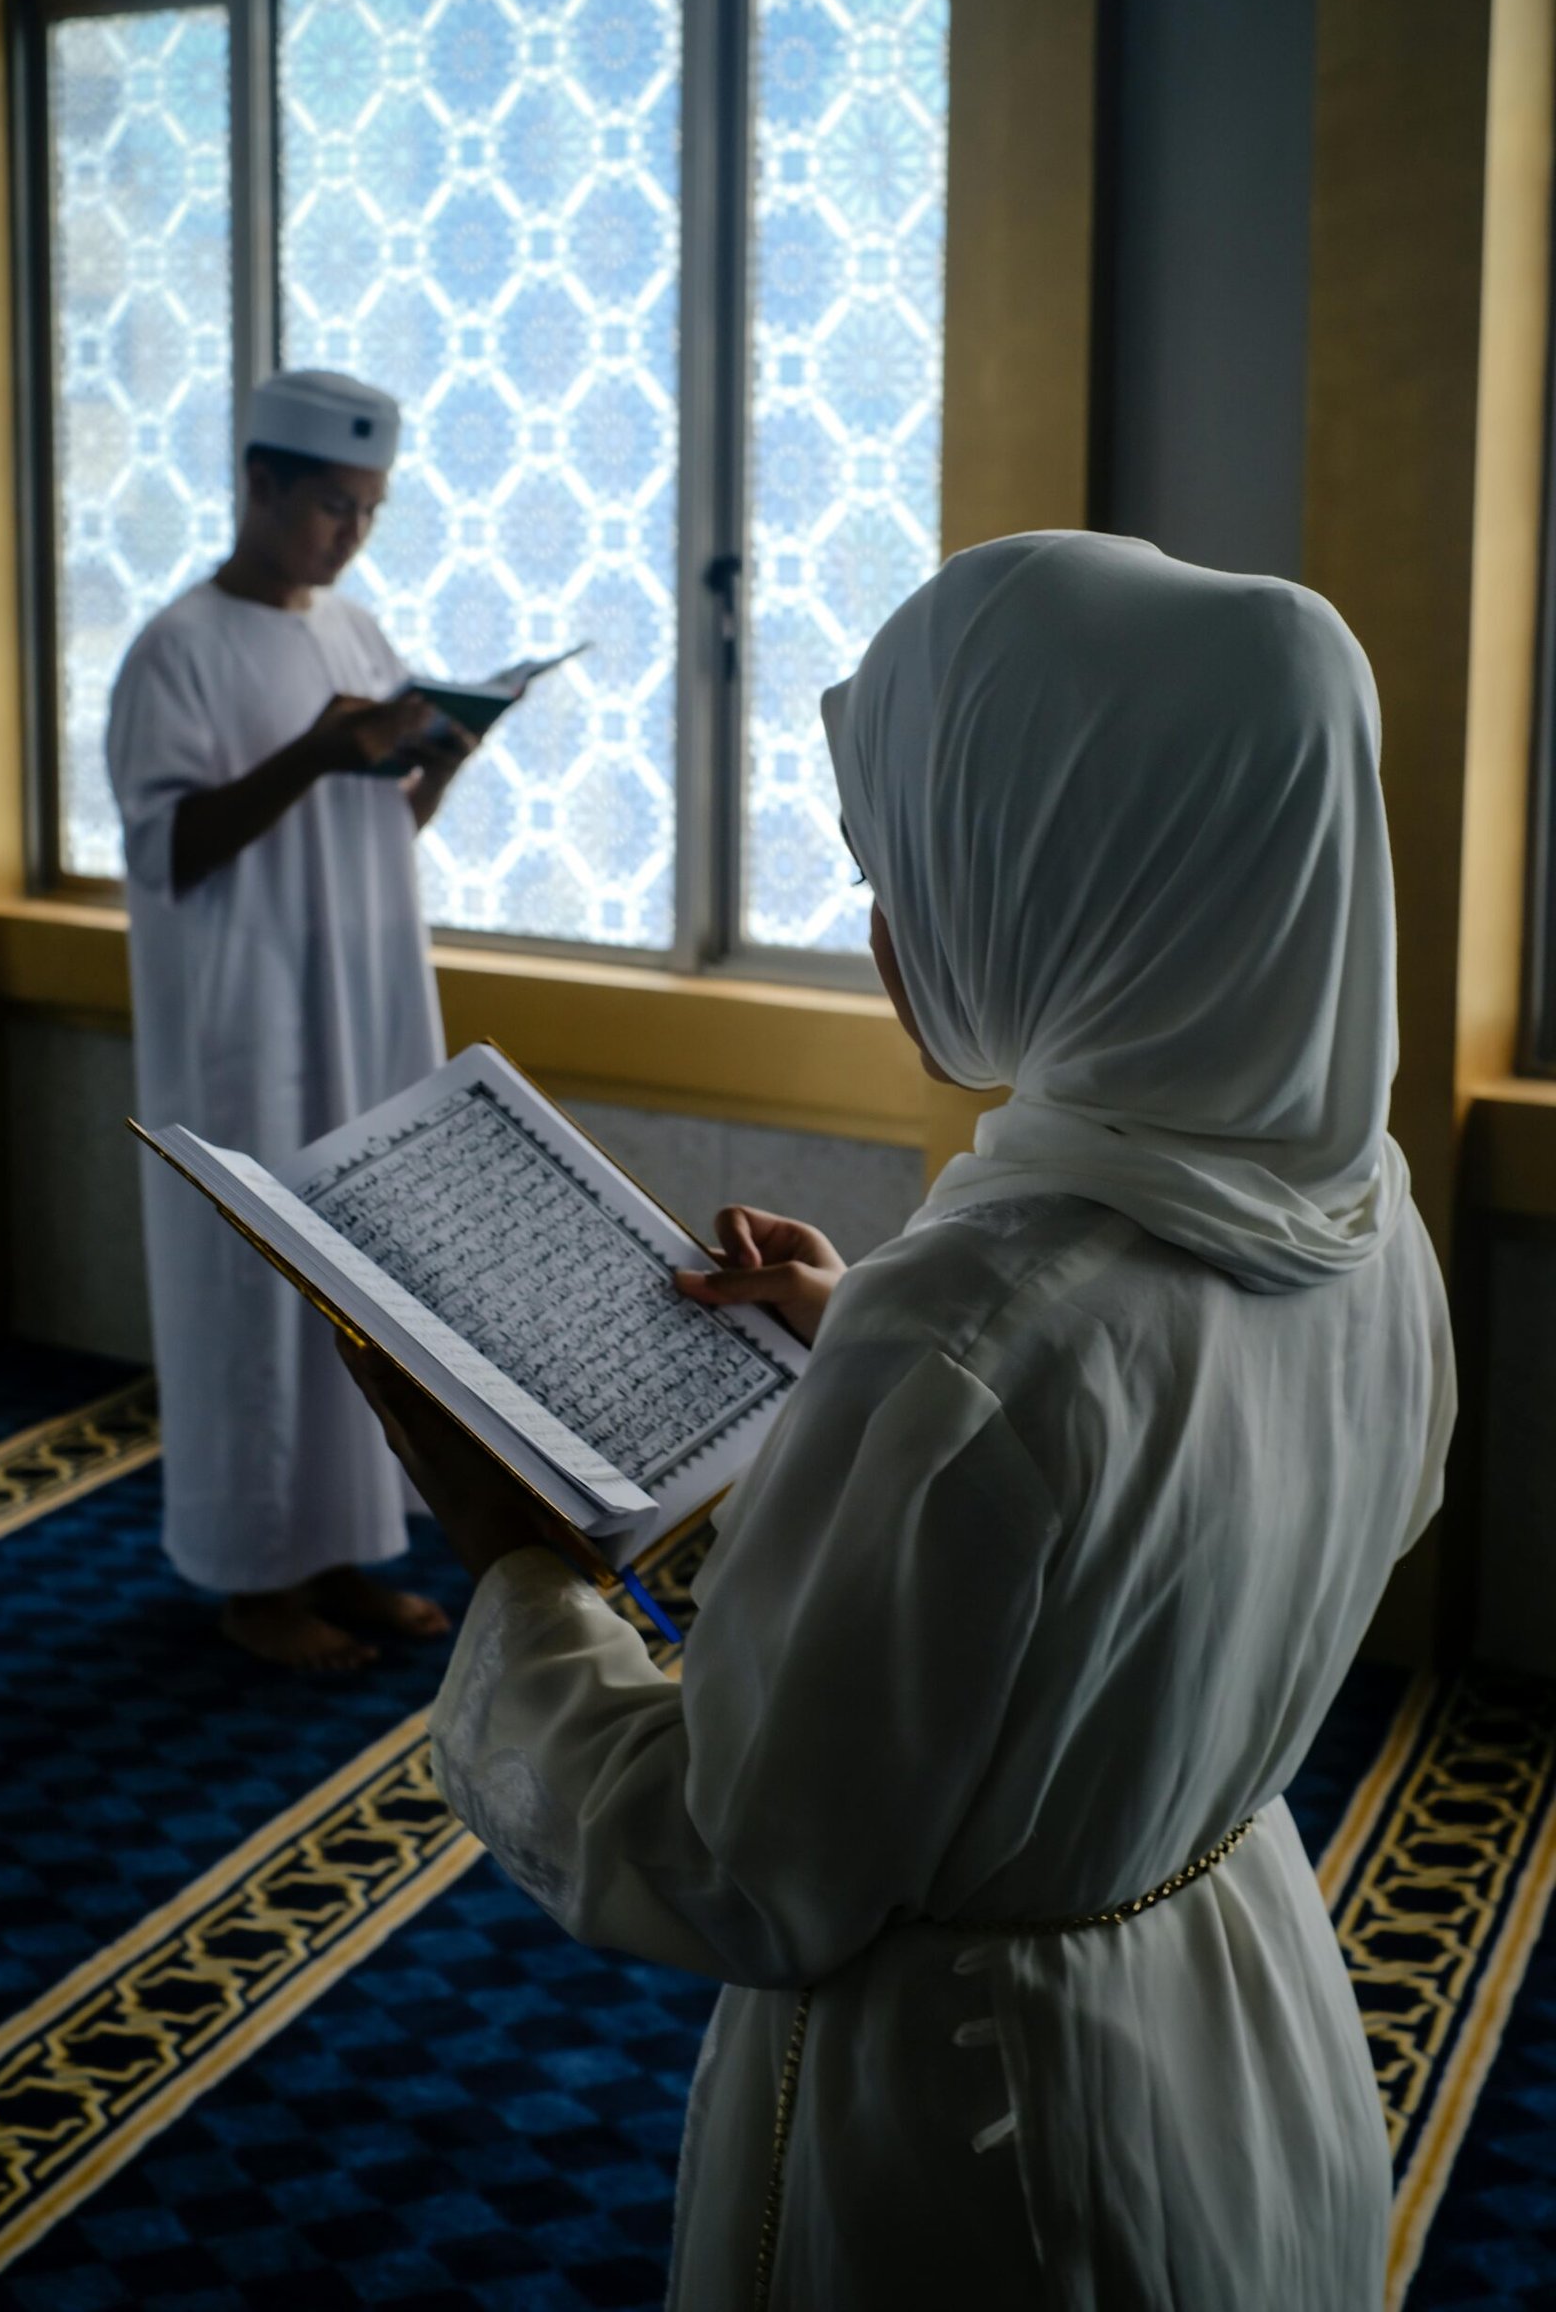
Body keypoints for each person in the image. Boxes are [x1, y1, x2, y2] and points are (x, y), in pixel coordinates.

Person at [340, 531, 1456, 2306]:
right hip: (1235, 2006)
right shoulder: (1355, 1216)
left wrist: (517, 1573)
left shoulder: (982, 1327)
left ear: (1087, 876)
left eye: (916, 860)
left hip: (982, 2122)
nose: (883, 924)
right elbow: (1191, 1482)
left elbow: (736, 1868)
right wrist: (855, 1326)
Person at [109, 368, 476, 1673]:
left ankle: (336, 1553)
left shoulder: (358, 634)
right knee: (248, 1291)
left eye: (371, 511)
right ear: (259, 483)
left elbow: (377, 832)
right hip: (245, 1020)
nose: (352, 535)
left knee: (357, 1279)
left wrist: (435, 763)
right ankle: (249, 1580)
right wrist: (317, 753)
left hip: (358, 1002)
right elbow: (170, 845)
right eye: (332, 506)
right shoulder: (178, 648)